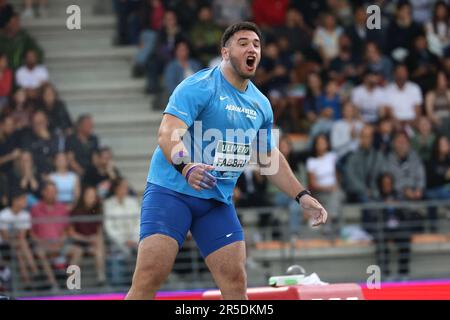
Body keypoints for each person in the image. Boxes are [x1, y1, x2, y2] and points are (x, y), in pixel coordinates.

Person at [125, 22, 328, 300]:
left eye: (256, 44)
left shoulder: (261, 104)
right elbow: (167, 134)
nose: (252, 48)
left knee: (235, 281)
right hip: (171, 192)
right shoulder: (198, 86)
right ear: (225, 51)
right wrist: (187, 166)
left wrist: (302, 195)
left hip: (216, 201)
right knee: (150, 275)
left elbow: (268, 156)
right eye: (243, 42)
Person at [30, 182, 69, 290]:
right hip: (43, 245)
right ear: (43, 192)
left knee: (77, 251)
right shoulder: (35, 208)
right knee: (40, 253)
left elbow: (67, 230)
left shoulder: (62, 208)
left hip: (60, 244)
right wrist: (44, 244)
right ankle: (53, 284)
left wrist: (60, 242)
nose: (53, 194)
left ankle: (72, 285)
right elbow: (32, 232)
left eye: (55, 192)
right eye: (50, 191)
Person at [0, 191, 39, 289]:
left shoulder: (25, 215)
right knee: (21, 245)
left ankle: (27, 281)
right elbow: (5, 237)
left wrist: (16, 239)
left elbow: (22, 235)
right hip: (4, 245)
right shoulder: (3, 215)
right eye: (23, 199)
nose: (26, 201)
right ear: (15, 201)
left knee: (19, 251)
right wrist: (16, 239)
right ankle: (35, 271)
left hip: (18, 244)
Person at [67, 186, 105, 286]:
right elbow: (71, 234)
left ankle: (101, 279)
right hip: (76, 243)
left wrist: (97, 243)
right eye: (89, 196)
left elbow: (98, 233)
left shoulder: (97, 211)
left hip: (91, 244)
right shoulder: (75, 211)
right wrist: (87, 239)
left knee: (99, 251)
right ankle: (72, 284)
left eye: (93, 196)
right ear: (83, 196)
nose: (91, 198)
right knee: (77, 252)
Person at [306, 134, 340, 236]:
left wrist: (335, 186)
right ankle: (331, 220)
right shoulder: (311, 161)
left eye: (323, 142)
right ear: (315, 145)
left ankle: (329, 223)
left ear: (327, 144)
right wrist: (327, 188)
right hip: (319, 192)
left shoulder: (333, 157)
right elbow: (312, 184)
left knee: (336, 194)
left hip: (334, 190)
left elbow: (338, 176)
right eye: (319, 143)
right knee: (333, 196)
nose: (321, 144)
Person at [104, 178, 140, 256]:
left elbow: (139, 222)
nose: (125, 190)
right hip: (117, 244)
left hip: (135, 241)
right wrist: (123, 241)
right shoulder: (108, 204)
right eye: (122, 187)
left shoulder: (132, 202)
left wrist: (134, 239)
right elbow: (109, 227)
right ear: (116, 188)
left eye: (126, 187)